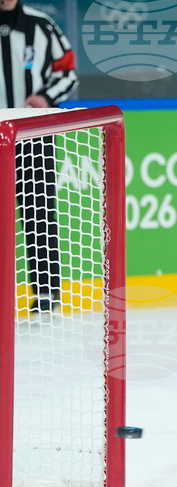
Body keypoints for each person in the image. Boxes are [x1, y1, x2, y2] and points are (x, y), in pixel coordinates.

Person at [1, 0, 77, 312]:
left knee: (38, 212)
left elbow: (68, 72)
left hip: (33, 136)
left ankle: (46, 294)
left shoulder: (41, 25)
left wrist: (46, 97)